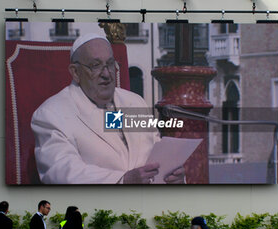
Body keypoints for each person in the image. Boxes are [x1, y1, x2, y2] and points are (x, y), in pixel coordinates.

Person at [31, 33, 185, 184]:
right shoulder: (51, 114)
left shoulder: (135, 101)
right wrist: (122, 180)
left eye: (110, 64)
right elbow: (62, 172)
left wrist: (172, 176)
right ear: (75, 72)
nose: (106, 74)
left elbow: (156, 152)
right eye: (95, 66)